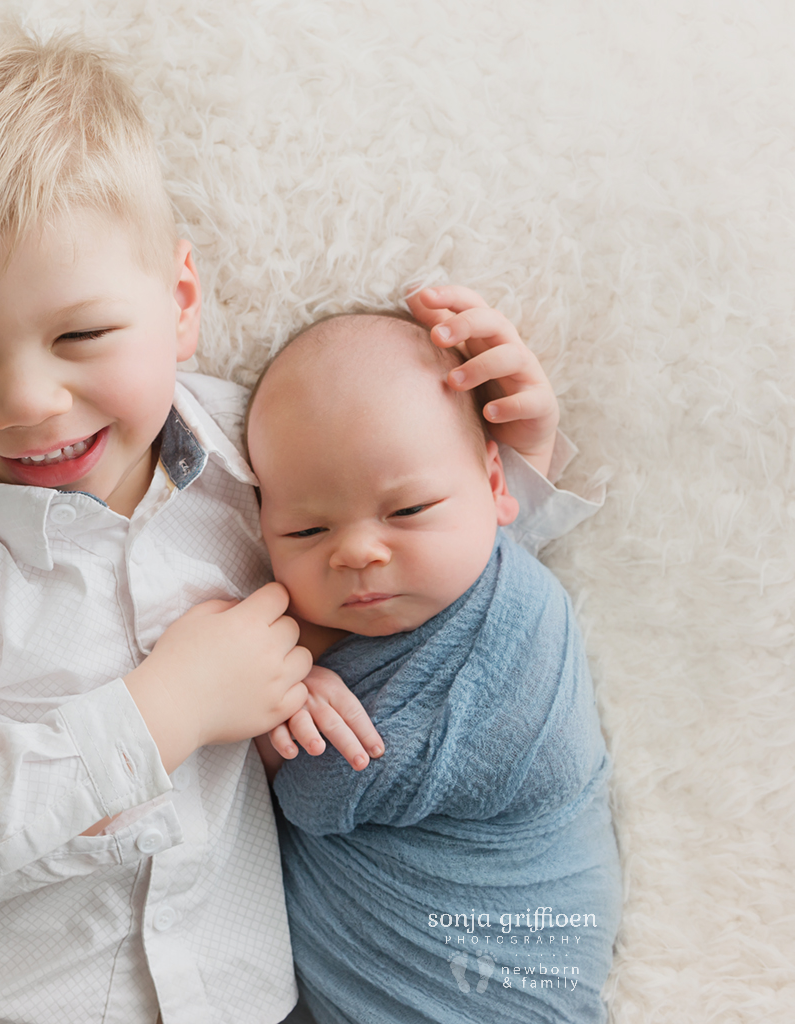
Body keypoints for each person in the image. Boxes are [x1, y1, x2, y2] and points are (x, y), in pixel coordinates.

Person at [0, 26, 596, 1024]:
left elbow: (402, 572)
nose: (27, 402)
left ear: (178, 300)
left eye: (81, 335)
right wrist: (164, 710)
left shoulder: (257, 444)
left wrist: (517, 462)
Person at [248, 312, 621, 1024]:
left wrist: (285, 701)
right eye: (305, 530)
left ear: (495, 480)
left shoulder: (520, 623)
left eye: (409, 509)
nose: (357, 552)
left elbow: (322, 790)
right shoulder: (451, 568)